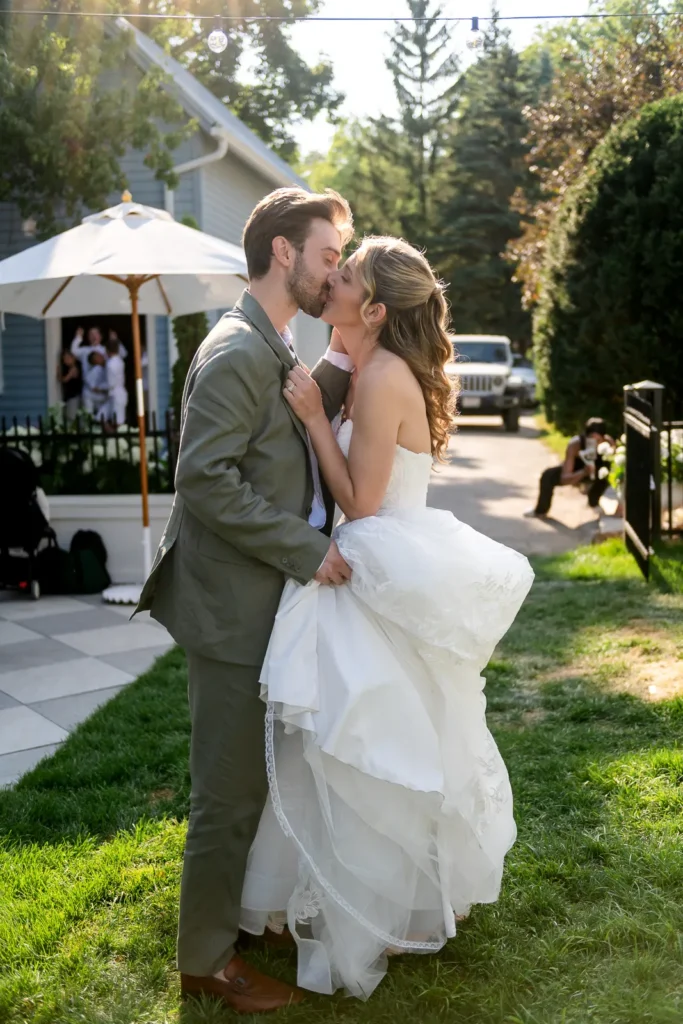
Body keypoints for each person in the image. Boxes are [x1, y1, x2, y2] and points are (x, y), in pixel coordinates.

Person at [239, 237, 535, 999]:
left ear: (374, 309)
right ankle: (320, 894)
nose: (330, 280)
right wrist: (334, 353)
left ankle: (360, 904)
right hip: (387, 555)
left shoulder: (382, 379)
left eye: (345, 278)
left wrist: (310, 417)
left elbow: (361, 503)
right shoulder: (371, 362)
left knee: (361, 749)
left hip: (375, 557)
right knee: (368, 742)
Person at [135, 187, 356, 1014]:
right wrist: (308, 550)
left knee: (253, 785)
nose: (334, 271)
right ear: (283, 254)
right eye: (328, 256)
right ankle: (205, 961)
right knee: (224, 794)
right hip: (230, 613)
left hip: (264, 606)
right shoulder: (235, 350)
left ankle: (230, 923)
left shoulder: (276, 342)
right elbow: (203, 482)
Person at [524, 417, 615, 518]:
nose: (594, 443)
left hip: (598, 472)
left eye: (598, 440)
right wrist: (583, 472)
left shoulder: (608, 444)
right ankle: (540, 511)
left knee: (607, 473)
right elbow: (565, 477)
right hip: (578, 470)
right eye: (591, 439)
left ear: (603, 438)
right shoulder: (575, 445)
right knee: (548, 476)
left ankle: (593, 501)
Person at [104, 335, 128, 425]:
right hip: (120, 392)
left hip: (115, 394)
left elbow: (111, 383)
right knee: (102, 416)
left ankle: (115, 436)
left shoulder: (110, 364)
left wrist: (99, 388)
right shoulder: (120, 361)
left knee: (117, 422)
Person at [82, 350, 109, 417]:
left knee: (103, 416)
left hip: (102, 396)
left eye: (99, 355)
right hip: (90, 396)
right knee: (89, 417)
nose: (100, 357)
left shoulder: (109, 363)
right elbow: (93, 387)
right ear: (94, 362)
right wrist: (102, 389)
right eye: (96, 358)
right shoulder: (96, 370)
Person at [57, 348, 82, 420]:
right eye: (64, 359)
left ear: (73, 358)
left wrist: (58, 373)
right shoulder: (69, 368)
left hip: (74, 396)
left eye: (68, 358)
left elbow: (64, 380)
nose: (66, 361)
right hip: (70, 396)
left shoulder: (74, 368)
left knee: (71, 417)